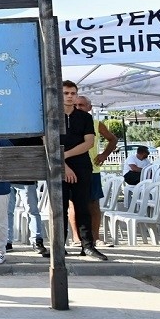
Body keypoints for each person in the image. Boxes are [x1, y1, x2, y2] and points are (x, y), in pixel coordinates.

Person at [61, 81, 107, 260]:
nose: (70, 96)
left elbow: (89, 142)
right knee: (59, 209)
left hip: (82, 166)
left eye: (73, 93)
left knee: (83, 207)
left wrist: (65, 155)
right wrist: (63, 164)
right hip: (58, 167)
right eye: (66, 93)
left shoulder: (85, 117)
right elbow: (46, 142)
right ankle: (59, 247)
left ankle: (88, 246)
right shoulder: (51, 116)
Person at [72, 95, 117, 247]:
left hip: (92, 169)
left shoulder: (97, 124)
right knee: (73, 204)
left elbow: (113, 139)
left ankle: (96, 237)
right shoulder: (68, 122)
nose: (78, 107)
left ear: (90, 108)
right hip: (73, 169)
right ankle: (77, 239)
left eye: (82, 105)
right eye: (76, 105)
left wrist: (104, 154)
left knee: (93, 204)